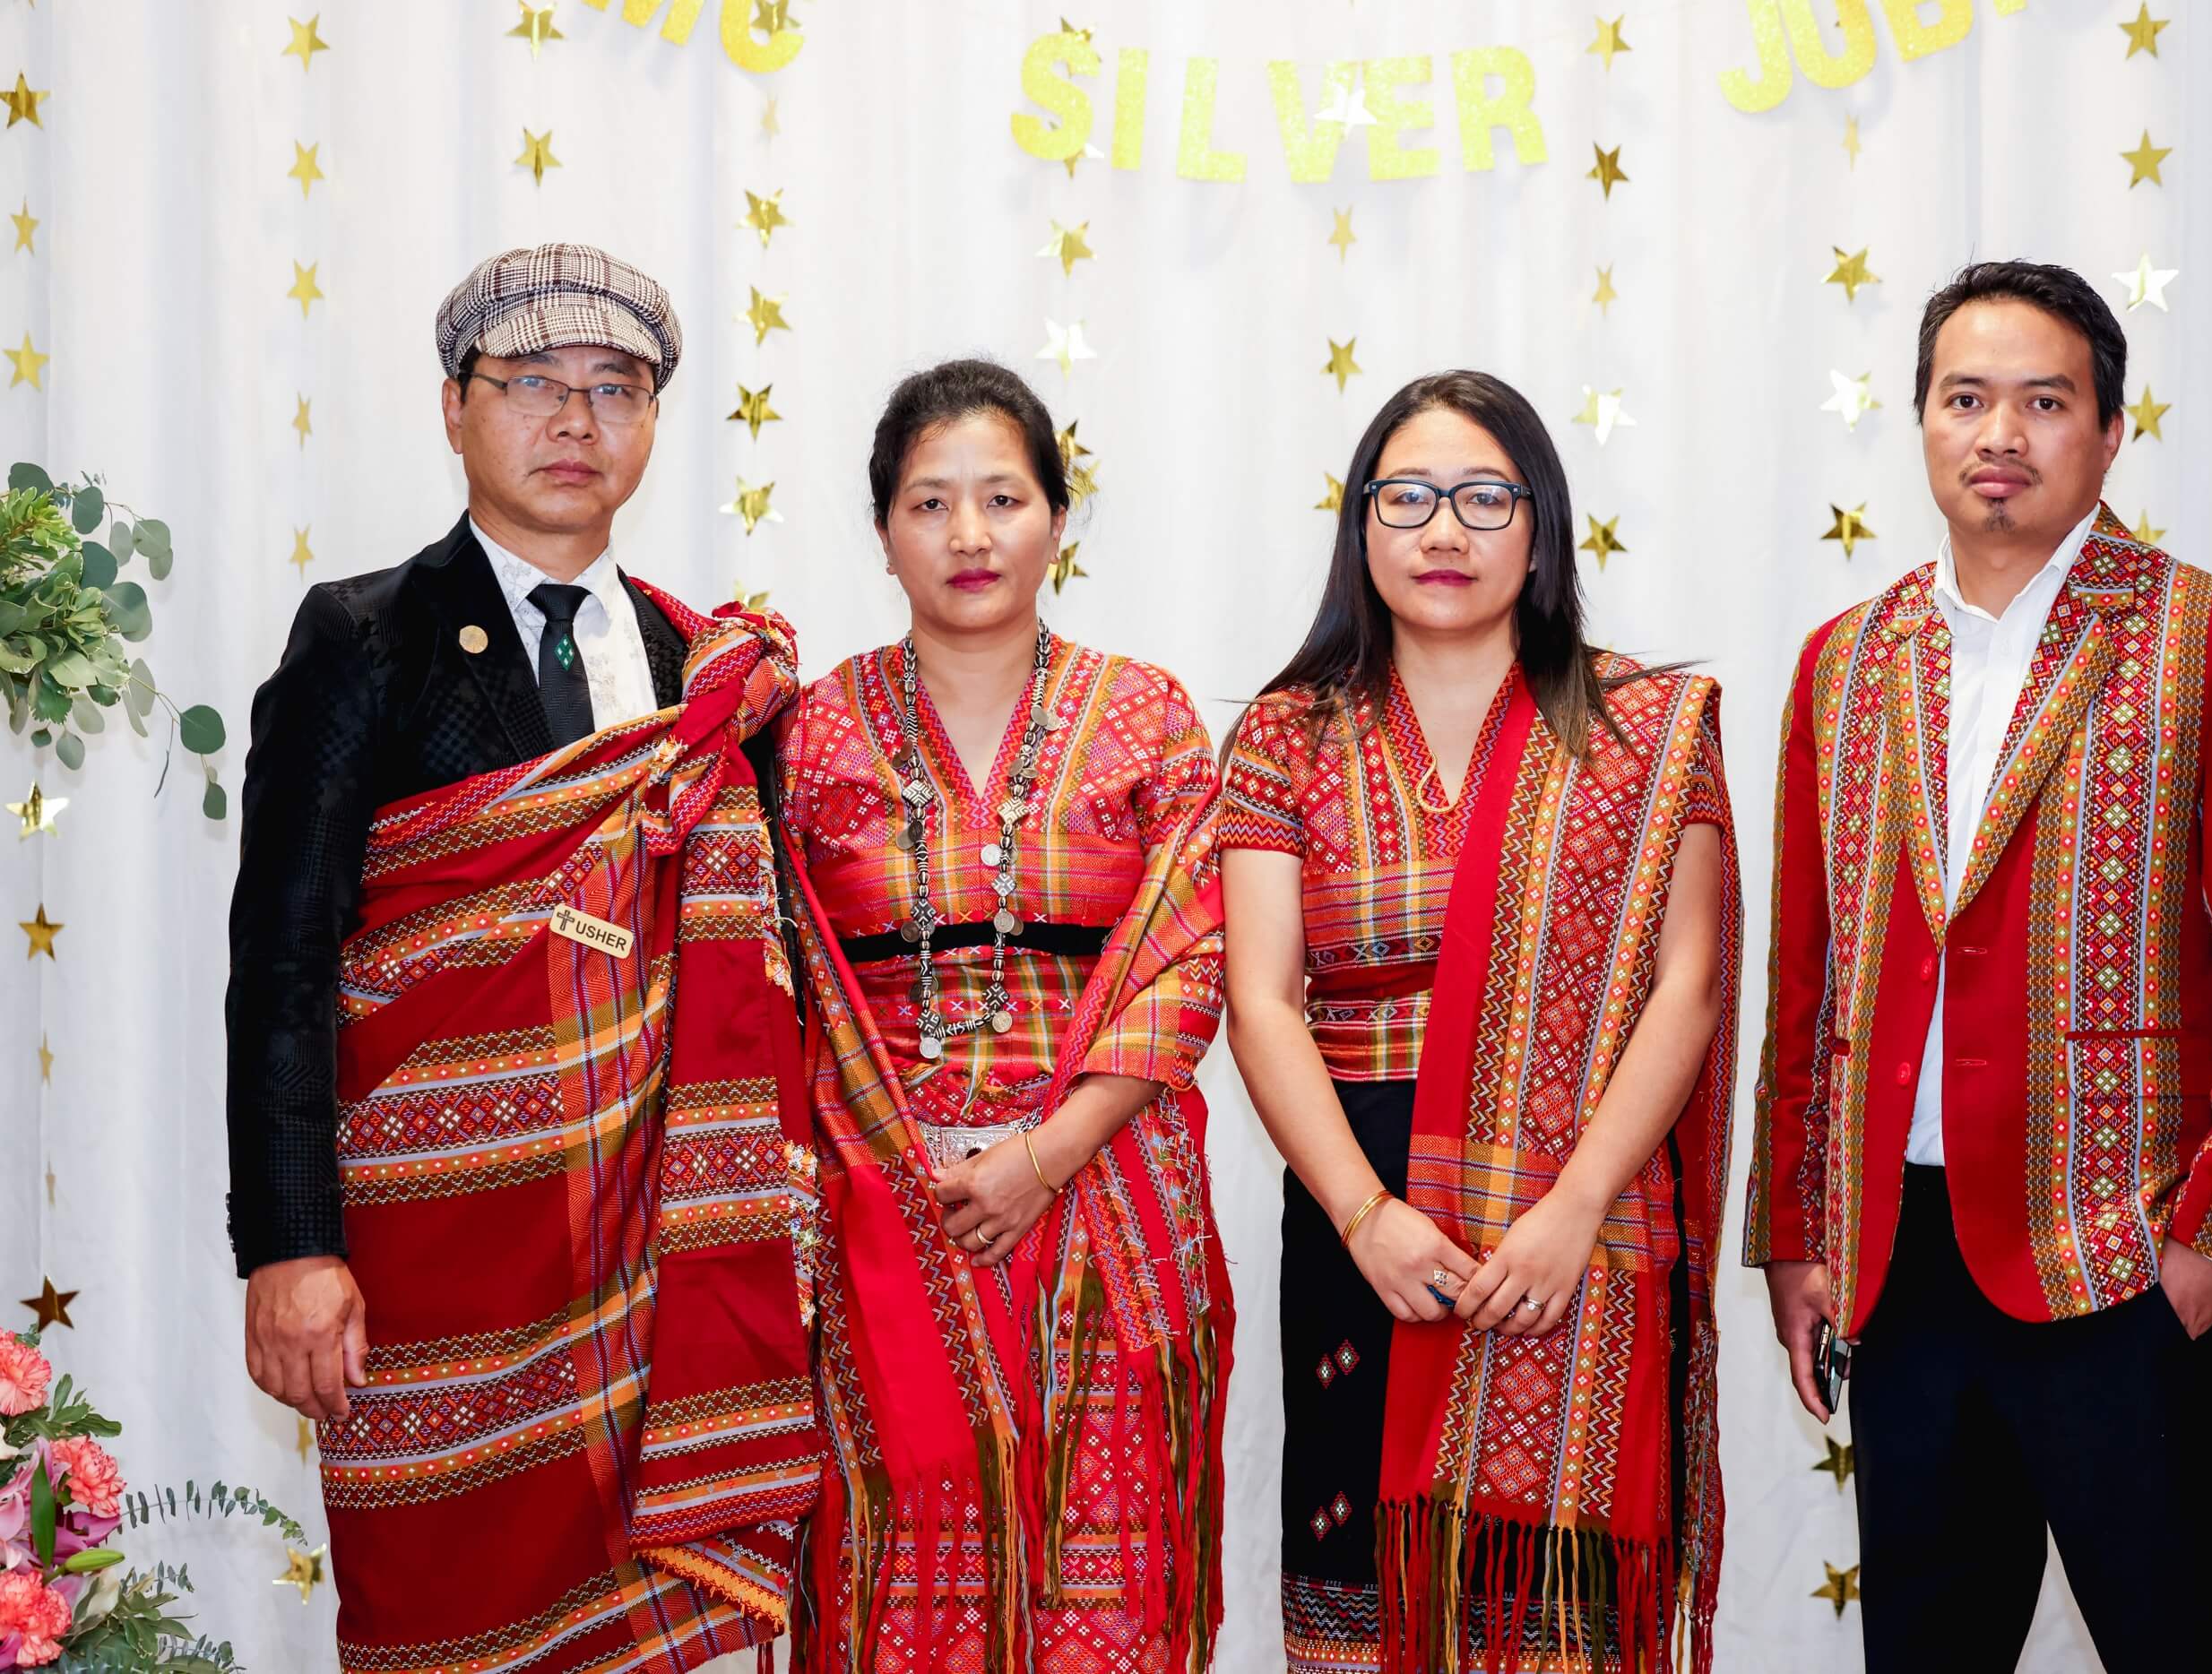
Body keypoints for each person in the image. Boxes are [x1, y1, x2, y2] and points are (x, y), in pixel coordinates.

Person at [1744, 260, 2212, 1671]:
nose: (1999, 434)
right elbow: (1807, 984)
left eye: (2044, 401)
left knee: (2172, 1646)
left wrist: (2208, 1248)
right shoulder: (1845, 661)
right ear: (1922, 422)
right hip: (1897, 1262)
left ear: (2111, 431)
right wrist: (1797, 1230)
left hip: (2114, 1261)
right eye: (1965, 399)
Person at [225, 243, 820, 1670]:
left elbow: (760, 970)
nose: (574, 420)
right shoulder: (365, 637)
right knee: (441, 1607)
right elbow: (284, 958)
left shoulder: (706, 674)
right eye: (533, 383)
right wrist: (292, 1246)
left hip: (662, 1258)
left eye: (614, 388)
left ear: (652, 422)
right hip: (438, 1251)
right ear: (455, 407)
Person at [1220, 369, 1740, 1674]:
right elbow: (1261, 1000)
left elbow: (1686, 986)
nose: (1444, 531)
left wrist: (1577, 1209)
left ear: (1540, 524)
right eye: (1407, 498)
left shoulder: (1643, 727)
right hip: (1360, 1210)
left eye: (1483, 498)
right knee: (1362, 1595)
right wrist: (1363, 1215)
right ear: (1361, 525)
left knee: (1551, 1614)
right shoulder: (1286, 737)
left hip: (1574, 1218)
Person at [775, 358, 1232, 1671]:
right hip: (885, 1221)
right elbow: (775, 982)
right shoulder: (809, 735)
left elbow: (1195, 956)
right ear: (882, 532)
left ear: (1057, 520)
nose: (969, 535)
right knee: (895, 1586)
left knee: (1105, 1584)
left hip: (1109, 1198)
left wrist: (1048, 1152)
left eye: (1003, 497)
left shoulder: (1146, 714)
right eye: (930, 503)